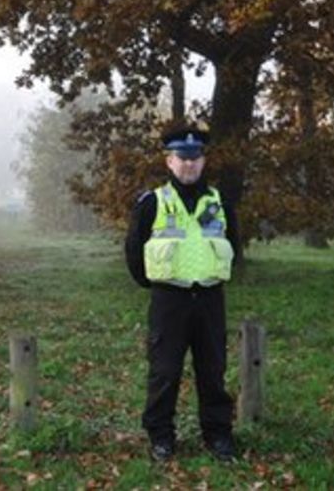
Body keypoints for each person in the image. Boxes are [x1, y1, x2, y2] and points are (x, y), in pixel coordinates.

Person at [123, 126, 240, 463]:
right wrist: (155, 284)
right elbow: (134, 249)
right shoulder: (152, 202)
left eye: (196, 158)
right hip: (169, 301)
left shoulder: (219, 202)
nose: (189, 165)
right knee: (164, 371)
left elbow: (235, 244)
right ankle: (161, 437)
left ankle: (218, 435)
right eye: (182, 158)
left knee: (213, 370)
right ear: (169, 161)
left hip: (209, 298)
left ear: (203, 161)